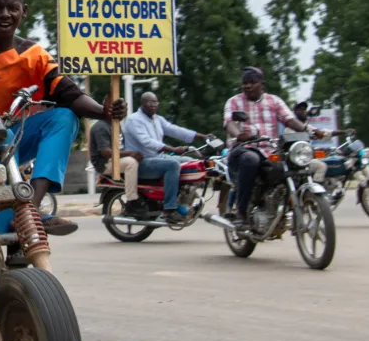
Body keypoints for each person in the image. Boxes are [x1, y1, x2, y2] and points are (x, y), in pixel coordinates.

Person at [0, 0, 127, 237]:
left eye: (12, 8)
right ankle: (16, 218)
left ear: (23, 12)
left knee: (64, 117)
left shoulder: (33, 55)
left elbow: (69, 93)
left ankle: (30, 208)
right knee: (5, 134)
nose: (5, 14)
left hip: (2, 141)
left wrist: (104, 112)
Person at [223, 68, 329, 229]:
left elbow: (291, 120)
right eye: (245, 83)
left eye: (252, 82)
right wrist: (238, 135)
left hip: (270, 149)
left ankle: (285, 202)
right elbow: (230, 122)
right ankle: (241, 212)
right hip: (244, 148)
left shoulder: (274, 101)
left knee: (294, 164)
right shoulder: (234, 102)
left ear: (262, 84)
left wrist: (311, 131)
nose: (248, 86)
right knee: (251, 160)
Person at [124, 92, 213, 222]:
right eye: (150, 102)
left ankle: (183, 198)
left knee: (190, 163)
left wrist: (201, 136)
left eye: (156, 102)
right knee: (173, 165)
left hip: (159, 157)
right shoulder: (133, 120)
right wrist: (173, 149)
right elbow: (147, 142)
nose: (154, 105)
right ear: (142, 103)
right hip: (142, 162)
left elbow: (175, 130)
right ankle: (169, 208)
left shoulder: (157, 119)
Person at [88, 100, 144, 216]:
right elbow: (105, 152)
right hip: (104, 163)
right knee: (131, 163)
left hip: (115, 160)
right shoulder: (101, 126)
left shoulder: (115, 125)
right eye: (120, 109)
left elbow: (121, 147)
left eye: (124, 109)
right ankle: (132, 201)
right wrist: (131, 154)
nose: (123, 112)